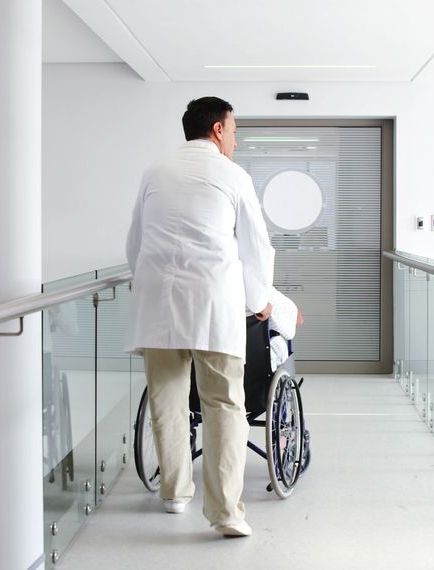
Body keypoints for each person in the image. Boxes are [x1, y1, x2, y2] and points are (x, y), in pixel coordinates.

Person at [125, 96, 274, 538]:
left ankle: (174, 494)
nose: (235, 138)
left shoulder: (154, 171)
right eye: (233, 130)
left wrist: (148, 281)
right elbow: (255, 246)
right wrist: (259, 300)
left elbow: (134, 243)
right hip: (212, 302)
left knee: (166, 400)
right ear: (216, 130)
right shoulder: (233, 175)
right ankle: (225, 513)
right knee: (224, 404)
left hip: (156, 303)